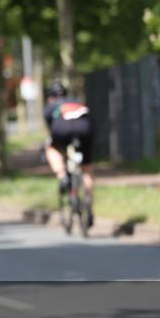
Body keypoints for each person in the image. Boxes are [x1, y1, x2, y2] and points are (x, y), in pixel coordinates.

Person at [43, 81, 94, 226]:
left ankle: (63, 176)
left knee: (51, 148)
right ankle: (89, 200)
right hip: (85, 128)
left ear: (50, 97)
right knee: (87, 168)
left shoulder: (51, 106)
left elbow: (51, 128)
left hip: (62, 127)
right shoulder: (77, 102)